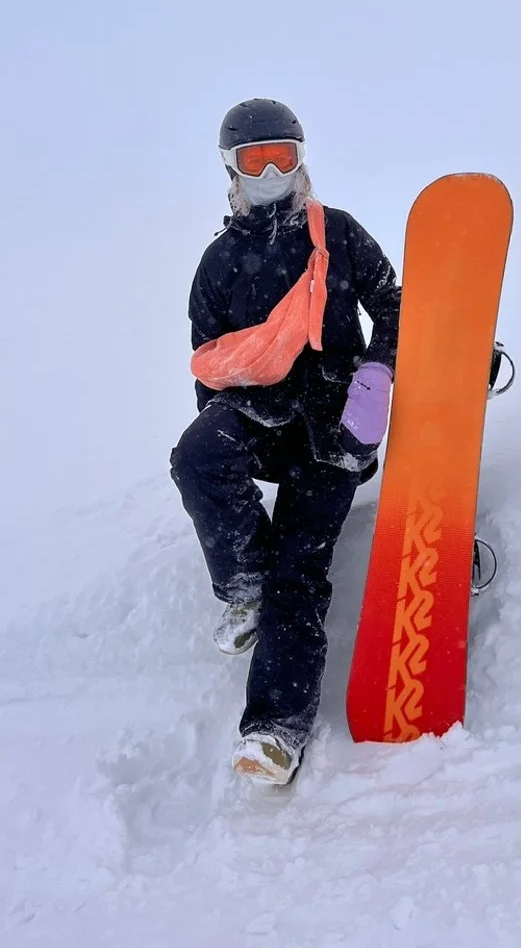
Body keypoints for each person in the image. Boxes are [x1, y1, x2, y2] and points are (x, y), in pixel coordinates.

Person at [170, 99, 400, 785]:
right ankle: (242, 585)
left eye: (282, 156)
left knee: (298, 570)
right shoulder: (218, 262)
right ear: (231, 171)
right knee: (197, 453)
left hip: (333, 431)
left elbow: (392, 302)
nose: (270, 170)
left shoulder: (339, 234)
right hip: (258, 419)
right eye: (254, 159)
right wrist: (222, 433)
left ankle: (274, 729)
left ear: (302, 160)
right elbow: (208, 360)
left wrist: (376, 377)